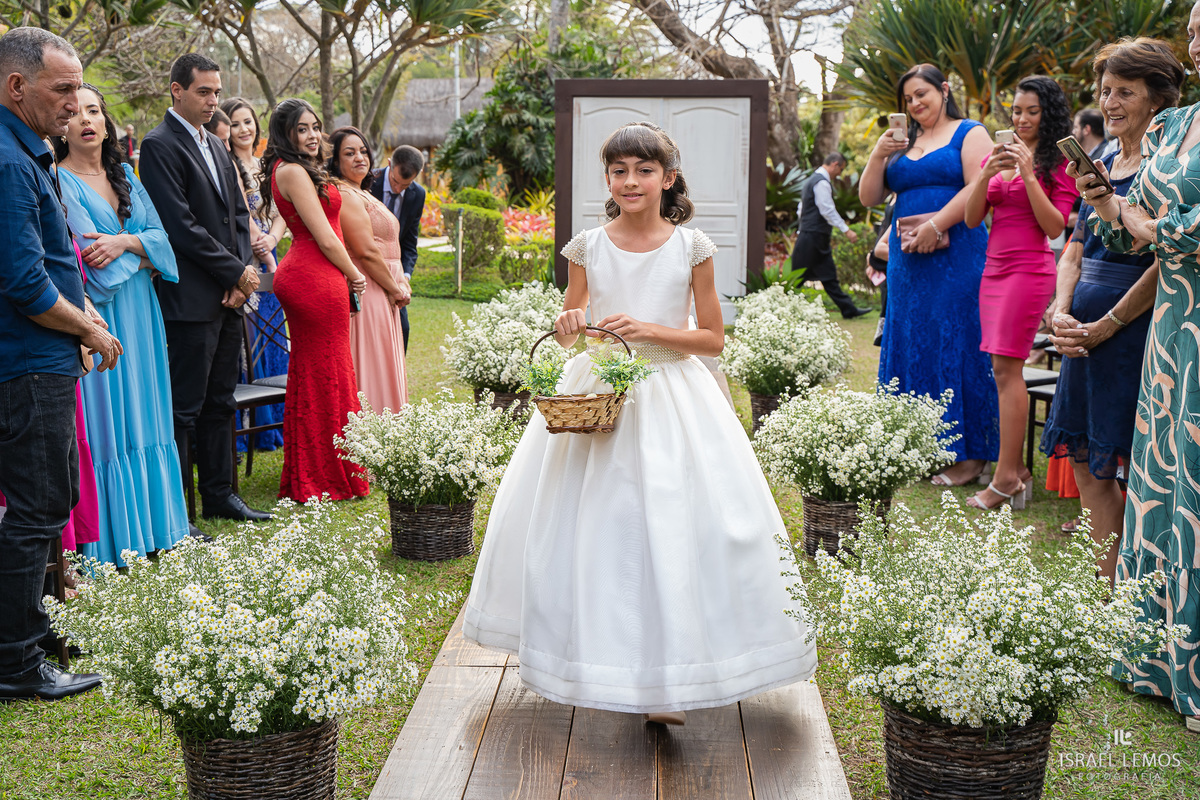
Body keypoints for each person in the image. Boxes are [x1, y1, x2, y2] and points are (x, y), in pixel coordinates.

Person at [463, 121, 815, 726]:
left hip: (673, 392)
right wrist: (572, 325)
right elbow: (575, 314)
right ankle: (591, 655)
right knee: (600, 528)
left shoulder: (691, 247)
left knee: (673, 524)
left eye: (645, 170)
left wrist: (650, 328)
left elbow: (711, 339)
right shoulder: (587, 247)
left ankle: (668, 680)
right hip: (600, 389)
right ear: (607, 179)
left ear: (667, 178)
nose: (632, 181)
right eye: (620, 171)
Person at [1074, 7, 1200, 733]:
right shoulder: (1175, 130)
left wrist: (1151, 226)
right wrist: (1113, 208)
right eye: (1194, 27)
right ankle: (1155, 657)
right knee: (1162, 487)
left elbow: (1167, 230)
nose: (1199, 37)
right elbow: (1135, 223)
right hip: (1172, 334)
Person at [0, 26, 120, 702]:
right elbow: (22, 283)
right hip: (26, 366)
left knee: (42, 509)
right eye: (64, 88)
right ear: (18, 88)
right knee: (37, 511)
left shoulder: (24, 150)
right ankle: (17, 663)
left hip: (39, 356)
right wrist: (90, 329)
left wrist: (81, 315)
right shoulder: (10, 162)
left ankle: (31, 641)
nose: (78, 103)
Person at [1041, 38, 1181, 584]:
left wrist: (1105, 326)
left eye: (1126, 91)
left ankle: (1130, 600)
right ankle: (1104, 597)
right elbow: (1074, 250)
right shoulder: (1099, 161)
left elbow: (1164, 262)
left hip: (1133, 332)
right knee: (1087, 464)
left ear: (1157, 99)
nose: (1112, 102)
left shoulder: (1167, 168)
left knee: (1133, 468)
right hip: (1082, 334)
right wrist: (1061, 313)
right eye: (1106, 91)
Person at [56, 82, 195, 562]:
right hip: (102, 312)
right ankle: (114, 540)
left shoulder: (127, 177)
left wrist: (126, 244)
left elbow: (162, 240)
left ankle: (158, 526)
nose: (86, 119)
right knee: (110, 420)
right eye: (74, 112)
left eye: (94, 110)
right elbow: (87, 257)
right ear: (62, 124)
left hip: (144, 311)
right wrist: (137, 250)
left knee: (149, 409)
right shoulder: (58, 180)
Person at [138, 53, 271, 523]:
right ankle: (178, 511)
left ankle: (220, 494)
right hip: (191, 299)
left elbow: (239, 216)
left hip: (229, 297)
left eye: (217, 91)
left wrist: (241, 275)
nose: (213, 100)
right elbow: (179, 225)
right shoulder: (158, 145)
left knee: (221, 400)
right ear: (177, 90)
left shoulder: (217, 146)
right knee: (185, 409)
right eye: (203, 92)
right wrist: (235, 273)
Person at [858, 63, 998, 486]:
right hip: (908, 260)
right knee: (910, 338)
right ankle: (916, 443)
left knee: (955, 339)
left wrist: (935, 225)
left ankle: (968, 454)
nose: (916, 104)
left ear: (944, 89)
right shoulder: (905, 143)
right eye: (909, 99)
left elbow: (981, 187)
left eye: (923, 94)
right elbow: (869, 197)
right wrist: (879, 154)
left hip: (956, 252)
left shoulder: (969, 132)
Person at [962, 75, 1075, 510]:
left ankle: (1007, 476)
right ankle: (1012, 469)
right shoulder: (997, 157)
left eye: (1031, 111)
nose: (1022, 119)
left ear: (1047, 114)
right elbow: (973, 219)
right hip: (993, 271)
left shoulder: (1058, 163)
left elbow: (1054, 227)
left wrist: (1028, 172)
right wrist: (985, 174)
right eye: (1016, 111)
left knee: (1009, 371)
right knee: (1001, 370)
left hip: (1029, 270)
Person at [261, 99, 369, 502]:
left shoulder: (301, 169)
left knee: (329, 371)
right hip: (313, 275)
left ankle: (328, 465)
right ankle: (320, 473)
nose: (312, 135)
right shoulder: (289, 170)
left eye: (315, 127)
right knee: (323, 372)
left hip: (318, 272)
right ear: (285, 134)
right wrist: (354, 274)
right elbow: (324, 236)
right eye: (302, 129)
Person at [328, 126, 409, 411]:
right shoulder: (344, 194)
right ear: (336, 161)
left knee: (385, 358)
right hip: (370, 288)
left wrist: (401, 283)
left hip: (385, 288)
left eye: (363, 151)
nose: (359, 157)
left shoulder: (362, 192)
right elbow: (365, 250)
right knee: (372, 363)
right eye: (349, 153)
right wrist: (394, 287)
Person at [222, 96, 287, 451]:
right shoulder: (225, 162)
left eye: (248, 122)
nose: (244, 129)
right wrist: (255, 238)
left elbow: (280, 211)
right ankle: (249, 428)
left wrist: (272, 238)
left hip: (270, 252)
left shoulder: (267, 166)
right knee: (248, 343)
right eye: (235, 123)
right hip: (244, 253)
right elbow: (237, 210)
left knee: (274, 339)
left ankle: (273, 428)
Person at [793, 151, 870, 318]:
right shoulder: (822, 182)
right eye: (841, 169)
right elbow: (826, 209)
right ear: (835, 164)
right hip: (813, 235)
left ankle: (848, 309)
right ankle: (783, 308)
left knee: (828, 276)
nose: (839, 174)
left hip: (812, 235)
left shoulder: (811, 180)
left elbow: (801, 210)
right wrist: (846, 230)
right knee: (796, 276)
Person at [369, 145, 423, 350]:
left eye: (406, 185)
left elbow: (409, 242)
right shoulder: (367, 181)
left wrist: (405, 277)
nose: (399, 189)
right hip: (364, 264)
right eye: (395, 181)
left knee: (403, 328)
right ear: (390, 164)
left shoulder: (417, 195)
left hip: (395, 272)